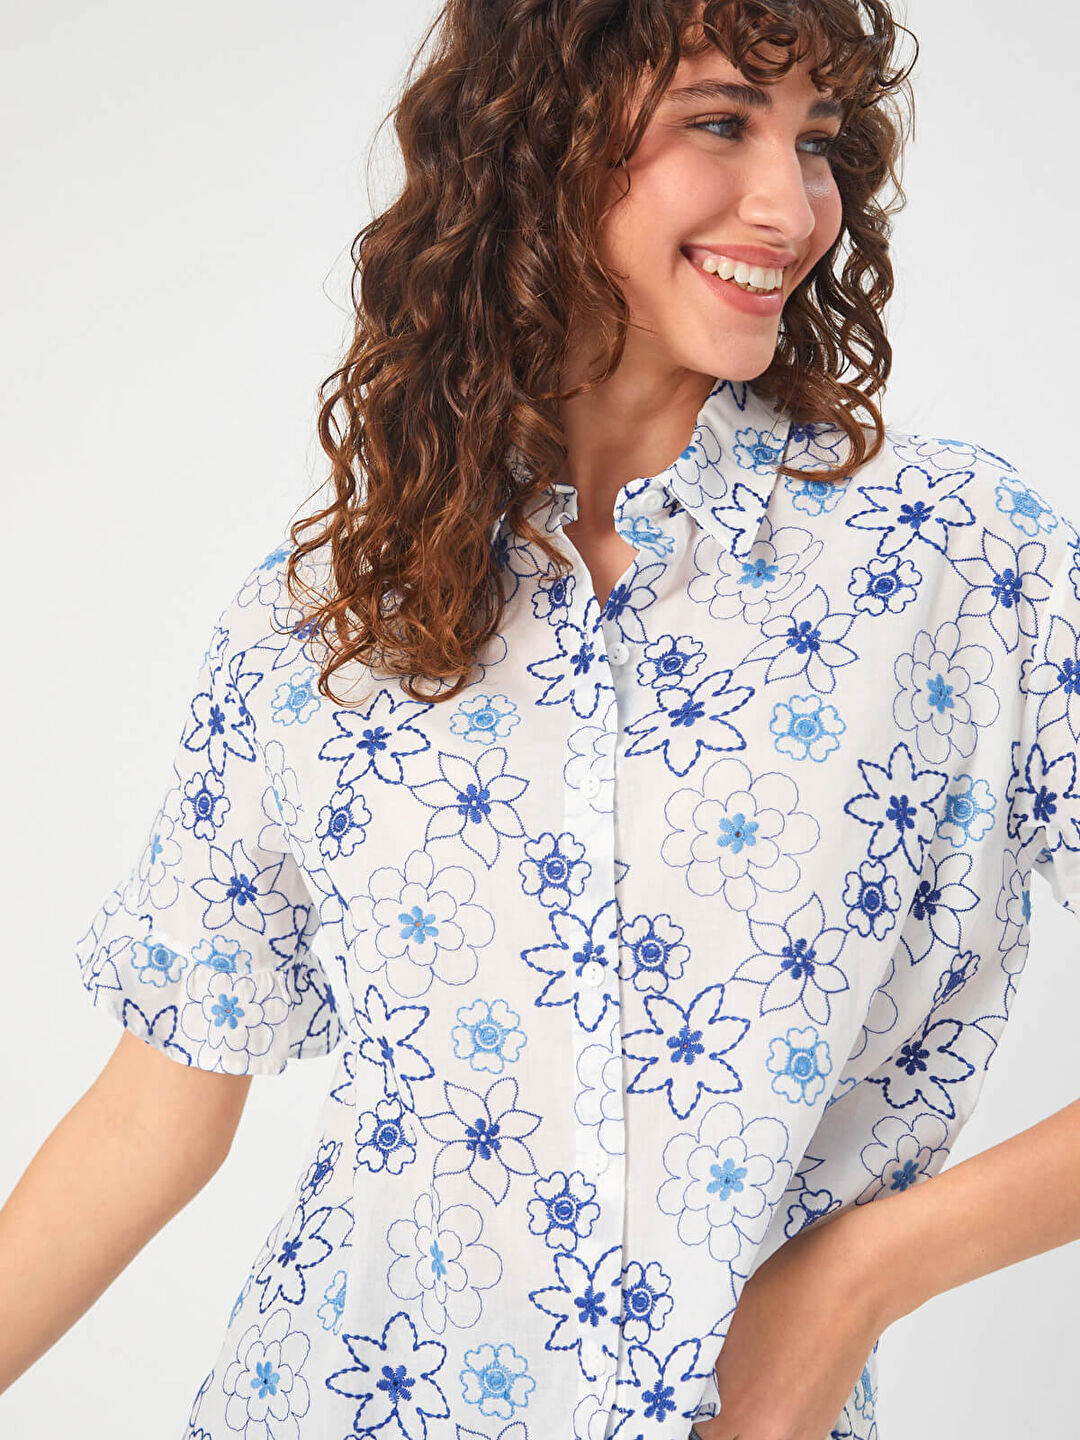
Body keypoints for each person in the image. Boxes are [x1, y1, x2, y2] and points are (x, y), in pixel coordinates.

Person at [5, 1, 1080, 1436]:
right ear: (538, 142)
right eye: (720, 122)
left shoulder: (962, 561)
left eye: (817, 140)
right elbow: (152, 1118)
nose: (790, 204)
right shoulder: (333, 616)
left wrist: (857, 1279)